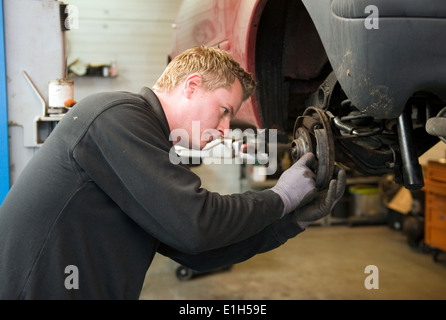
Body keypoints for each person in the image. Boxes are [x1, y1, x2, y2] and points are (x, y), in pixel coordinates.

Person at [0, 46, 346, 299]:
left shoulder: (149, 144)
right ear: (192, 85)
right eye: (224, 111)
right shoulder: (116, 115)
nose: (225, 130)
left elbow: (196, 250)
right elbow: (195, 223)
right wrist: (280, 197)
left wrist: (293, 221)